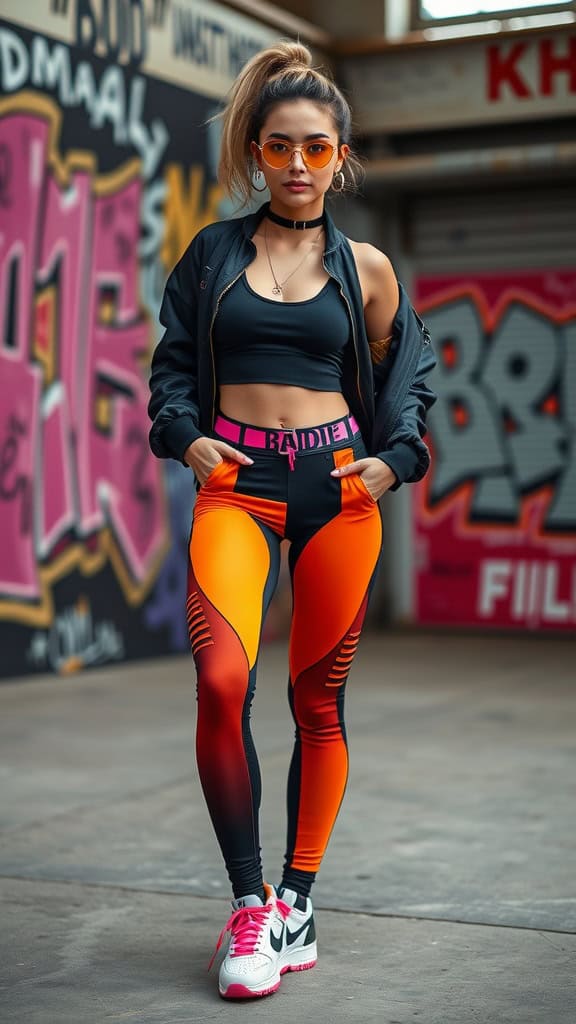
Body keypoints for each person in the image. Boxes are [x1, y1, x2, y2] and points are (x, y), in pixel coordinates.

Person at [148, 41, 436, 1000]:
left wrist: (392, 464)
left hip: (338, 491)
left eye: (316, 147)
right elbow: (170, 370)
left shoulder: (370, 270)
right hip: (235, 482)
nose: (299, 165)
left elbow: (409, 382)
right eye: (280, 148)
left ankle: (300, 898)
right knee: (223, 678)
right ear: (258, 155)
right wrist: (186, 437)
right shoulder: (213, 254)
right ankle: (249, 903)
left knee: (318, 700)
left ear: (342, 156)